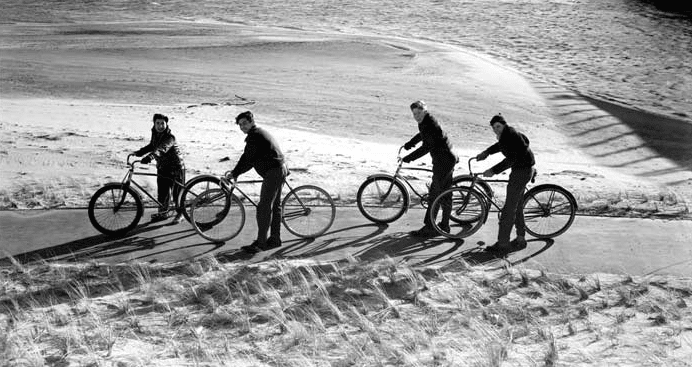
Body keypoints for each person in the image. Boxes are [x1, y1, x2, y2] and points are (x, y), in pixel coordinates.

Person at [229, 111, 288, 253]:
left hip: (274, 172)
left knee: (263, 207)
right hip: (280, 168)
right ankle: (274, 239)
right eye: (240, 125)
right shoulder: (258, 133)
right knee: (275, 206)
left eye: (244, 123)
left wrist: (234, 173)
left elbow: (247, 159)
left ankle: (261, 243)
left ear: (251, 121)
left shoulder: (255, 136)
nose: (242, 127)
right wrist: (236, 172)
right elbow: (248, 157)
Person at [476, 114, 535, 252]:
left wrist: (493, 170)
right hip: (522, 170)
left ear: (504, 125)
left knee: (508, 210)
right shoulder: (507, 135)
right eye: (493, 128)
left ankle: (503, 244)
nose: (496, 130)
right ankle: (521, 238)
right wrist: (487, 152)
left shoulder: (511, 136)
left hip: (521, 172)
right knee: (517, 205)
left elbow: (511, 159)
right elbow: (500, 145)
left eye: (498, 126)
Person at [401, 100, 458, 237]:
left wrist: (409, 157)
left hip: (443, 161)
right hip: (445, 159)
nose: (417, 116)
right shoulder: (425, 122)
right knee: (444, 193)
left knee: (435, 193)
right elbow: (423, 135)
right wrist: (411, 143)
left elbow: (427, 146)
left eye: (419, 113)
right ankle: (444, 225)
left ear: (425, 111)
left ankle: (431, 227)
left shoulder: (430, 123)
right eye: (414, 114)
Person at [134, 113, 186, 224]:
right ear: (154, 123)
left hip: (175, 168)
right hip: (163, 167)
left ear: (166, 124)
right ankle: (163, 213)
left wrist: (150, 156)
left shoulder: (170, 137)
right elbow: (152, 146)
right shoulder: (155, 134)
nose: (160, 126)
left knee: (178, 194)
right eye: (157, 123)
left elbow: (162, 149)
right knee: (163, 193)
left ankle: (181, 214)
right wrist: (140, 152)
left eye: (162, 123)